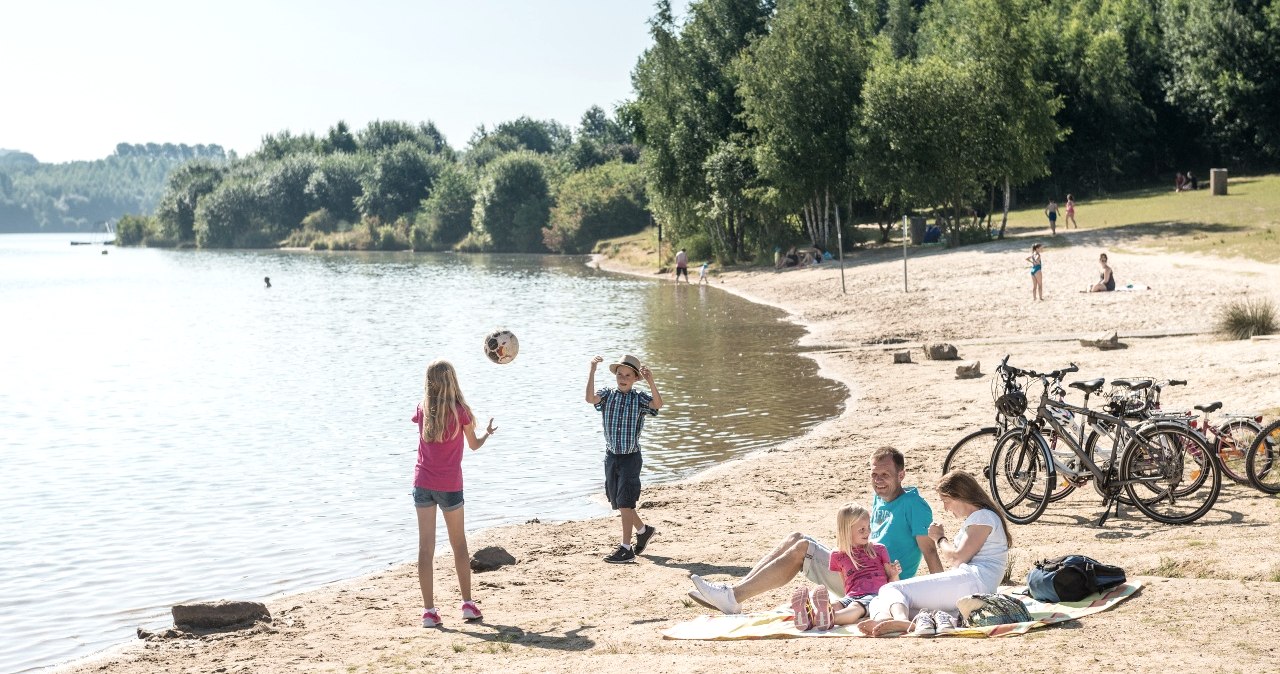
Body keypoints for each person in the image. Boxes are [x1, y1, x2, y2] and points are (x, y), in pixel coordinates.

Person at [688, 446, 942, 614]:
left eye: (885, 475)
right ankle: (734, 592)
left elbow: (930, 553)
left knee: (803, 549)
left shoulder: (915, 506)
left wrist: (940, 600)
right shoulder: (881, 498)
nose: (878, 481)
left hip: (876, 586)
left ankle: (732, 597)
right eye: (874, 475)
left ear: (902, 474)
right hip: (857, 571)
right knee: (796, 537)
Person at [857, 470, 1011, 637]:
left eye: (946, 501)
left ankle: (901, 620)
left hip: (974, 581)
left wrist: (939, 538)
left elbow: (957, 558)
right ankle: (885, 620)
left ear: (960, 496)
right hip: (971, 583)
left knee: (890, 588)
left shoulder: (983, 517)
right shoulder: (980, 518)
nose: (946, 508)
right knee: (878, 600)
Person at [413, 360, 497, 628]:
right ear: (453, 382)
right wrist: (485, 434)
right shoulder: (462, 412)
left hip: (422, 484)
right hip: (449, 486)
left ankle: (429, 612)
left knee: (425, 547)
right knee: (458, 544)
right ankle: (468, 606)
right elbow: (473, 446)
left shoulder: (422, 409)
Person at [586, 354, 663, 563]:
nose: (623, 377)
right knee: (619, 502)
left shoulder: (639, 398)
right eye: (620, 374)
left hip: (630, 458)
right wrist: (592, 371)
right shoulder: (608, 395)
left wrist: (651, 381)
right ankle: (643, 530)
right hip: (611, 457)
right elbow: (590, 398)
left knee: (625, 502)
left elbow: (658, 404)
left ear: (635, 378)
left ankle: (626, 548)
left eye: (628, 375)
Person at [790, 504, 902, 631]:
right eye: (862, 529)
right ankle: (809, 615)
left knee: (855, 607)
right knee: (837, 604)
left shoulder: (879, 549)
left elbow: (893, 588)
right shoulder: (837, 555)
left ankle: (825, 618)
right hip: (851, 595)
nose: (868, 532)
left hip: (876, 596)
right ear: (846, 530)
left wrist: (894, 574)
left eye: (869, 527)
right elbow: (846, 585)